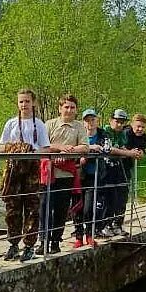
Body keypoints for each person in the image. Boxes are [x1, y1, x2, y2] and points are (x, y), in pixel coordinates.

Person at [0, 89, 50, 262]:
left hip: (32, 168)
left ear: (33, 103)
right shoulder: (11, 123)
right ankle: (13, 245)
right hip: (13, 169)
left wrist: (31, 151)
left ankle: (29, 245)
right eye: (21, 102)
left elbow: (46, 149)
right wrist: (15, 148)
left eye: (27, 101)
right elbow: (1, 147)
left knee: (32, 207)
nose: (24, 105)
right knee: (12, 207)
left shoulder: (39, 124)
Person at [41, 94, 88, 254]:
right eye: (66, 107)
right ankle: (42, 241)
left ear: (76, 110)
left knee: (61, 210)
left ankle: (55, 241)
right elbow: (43, 146)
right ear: (60, 108)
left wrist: (69, 151)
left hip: (67, 174)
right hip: (48, 173)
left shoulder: (79, 126)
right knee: (44, 208)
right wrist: (59, 147)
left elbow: (85, 147)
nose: (69, 110)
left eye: (72, 107)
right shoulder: (49, 124)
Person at [101, 109, 142, 237]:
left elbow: (122, 147)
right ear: (111, 120)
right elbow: (109, 149)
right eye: (117, 121)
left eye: (122, 122)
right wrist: (128, 153)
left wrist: (133, 152)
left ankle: (118, 224)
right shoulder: (105, 131)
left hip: (119, 168)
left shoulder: (122, 133)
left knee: (122, 197)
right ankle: (105, 225)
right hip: (106, 170)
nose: (119, 124)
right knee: (108, 198)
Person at [78, 109, 108, 245]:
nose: (90, 122)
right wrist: (90, 148)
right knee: (77, 206)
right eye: (87, 120)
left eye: (92, 119)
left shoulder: (103, 134)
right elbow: (73, 148)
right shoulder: (78, 133)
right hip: (78, 174)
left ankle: (89, 234)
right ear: (83, 122)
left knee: (88, 207)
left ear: (97, 120)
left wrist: (92, 149)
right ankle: (79, 236)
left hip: (95, 174)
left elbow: (106, 149)